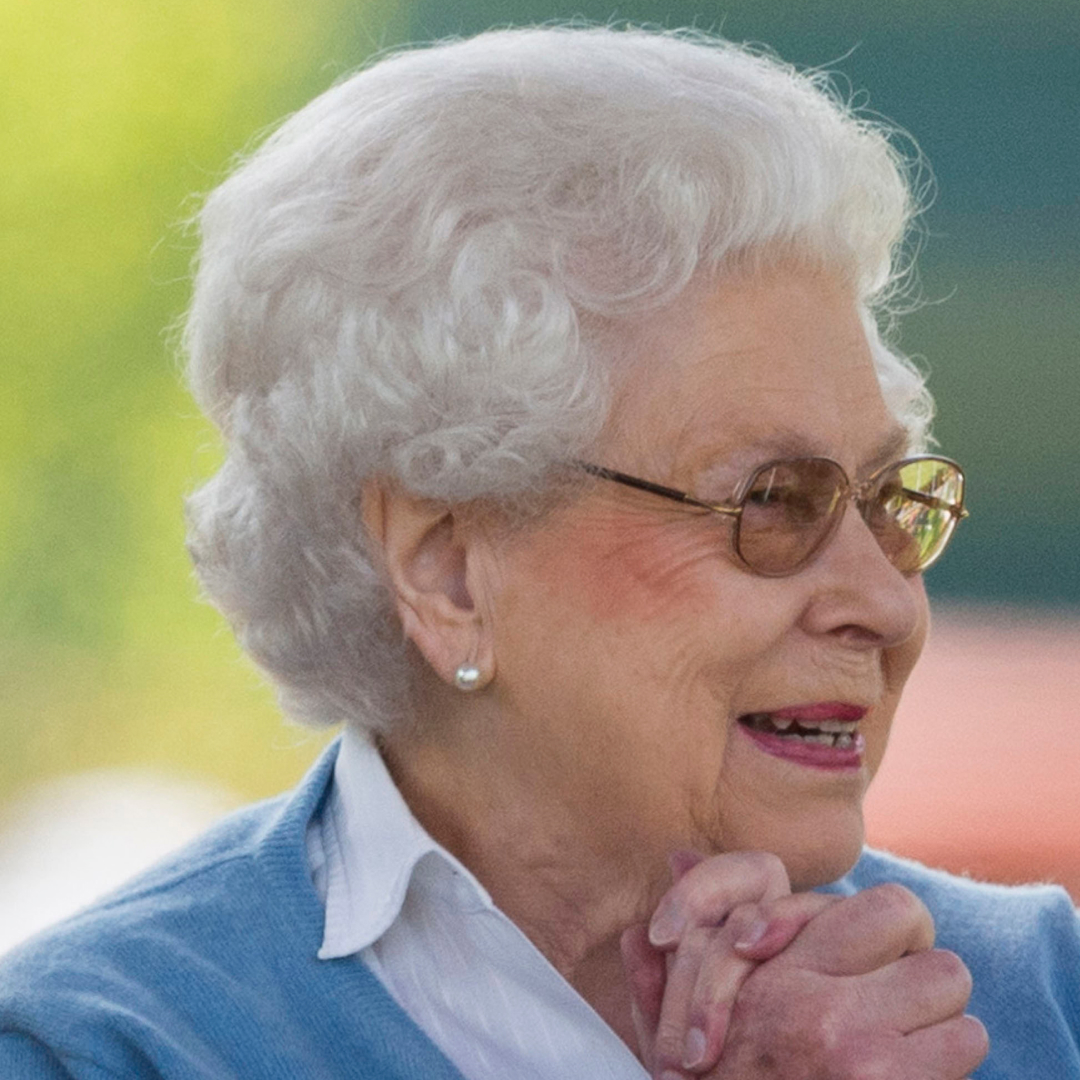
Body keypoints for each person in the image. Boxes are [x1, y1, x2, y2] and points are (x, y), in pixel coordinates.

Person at [1, 25, 1077, 1080]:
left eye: (891, 501)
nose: (886, 604)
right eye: (772, 502)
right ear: (449, 574)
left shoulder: (1041, 997)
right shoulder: (107, 1048)